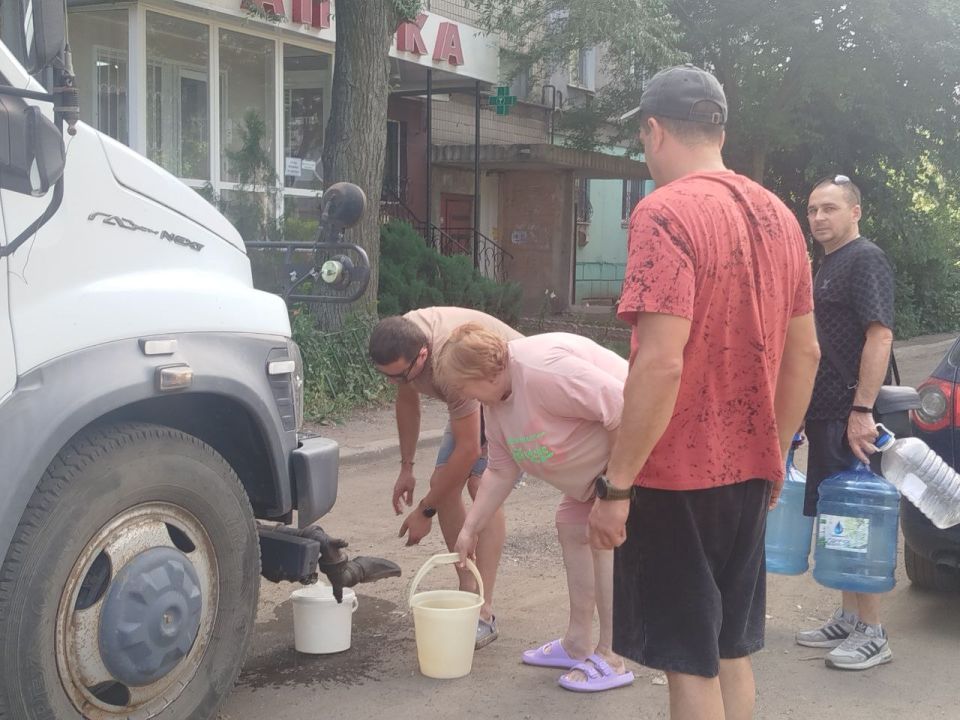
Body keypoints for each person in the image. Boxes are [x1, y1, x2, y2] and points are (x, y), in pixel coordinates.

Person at [589, 64, 821, 720]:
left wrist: (616, 487)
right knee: (728, 648)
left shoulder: (663, 212)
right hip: (749, 471)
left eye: (642, 139)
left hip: (675, 477)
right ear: (719, 130)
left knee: (687, 660)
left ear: (654, 130)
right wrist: (775, 453)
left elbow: (661, 363)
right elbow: (805, 352)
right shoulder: (780, 216)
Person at [436, 324, 634, 693]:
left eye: (464, 386)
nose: (463, 397)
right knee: (571, 526)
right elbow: (500, 469)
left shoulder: (542, 370)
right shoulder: (495, 403)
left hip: (632, 457)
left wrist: (613, 489)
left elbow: (621, 407)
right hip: (593, 474)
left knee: (601, 538)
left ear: (486, 372)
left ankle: (612, 654)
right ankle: (577, 643)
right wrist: (469, 529)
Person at [368, 307, 521, 648]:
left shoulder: (448, 364)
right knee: (444, 484)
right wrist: (406, 468)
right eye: (386, 376)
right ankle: (468, 590)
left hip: (509, 391)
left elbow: (469, 450)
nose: (393, 382)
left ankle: (484, 611)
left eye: (399, 376)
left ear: (422, 356)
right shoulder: (403, 339)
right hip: (474, 391)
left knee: (482, 486)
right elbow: (407, 400)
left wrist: (425, 511)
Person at [794, 175, 896, 670]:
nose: (818, 217)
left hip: (850, 414)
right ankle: (850, 616)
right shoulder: (827, 264)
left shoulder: (865, 258)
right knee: (838, 516)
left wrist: (862, 411)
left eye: (829, 208)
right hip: (825, 413)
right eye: (813, 209)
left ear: (855, 211)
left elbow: (880, 336)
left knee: (857, 517)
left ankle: (873, 631)